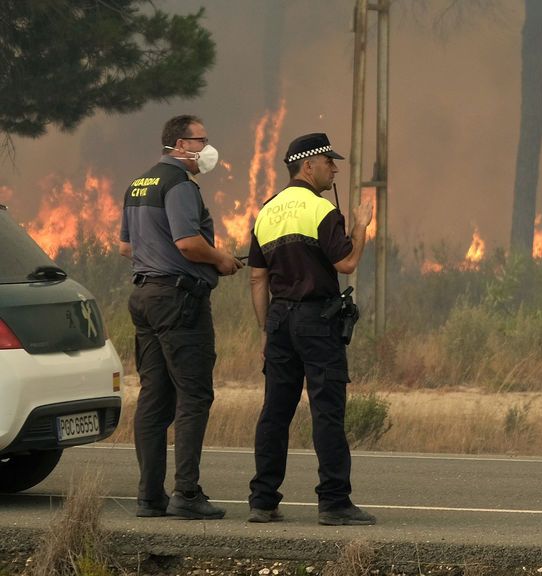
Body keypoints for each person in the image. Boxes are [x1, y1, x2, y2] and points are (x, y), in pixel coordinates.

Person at [119, 114, 243, 520]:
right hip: (179, 300)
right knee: (194, 395)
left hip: (145, 297)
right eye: (200, 140)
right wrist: (221, 258)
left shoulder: (139, 183)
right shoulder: (180, 185)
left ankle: (149, 497)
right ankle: (186, 494)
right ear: (178, 144)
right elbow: (189, 243)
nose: (206, 148)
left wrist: (157, 254)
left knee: (155, 397)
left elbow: (125, 247)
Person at [246, 132, 374, 526]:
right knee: (327, 411)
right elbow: (347, 264)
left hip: (280, 320)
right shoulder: (320, 211)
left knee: (275, 412)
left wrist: (266, 331)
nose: (334, 168)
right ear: (307, 166)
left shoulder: (266, 212)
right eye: (328, 162)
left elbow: (256, 278)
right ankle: (334, 503)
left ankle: (263, 500)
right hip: (317, 321)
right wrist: (362, 225)